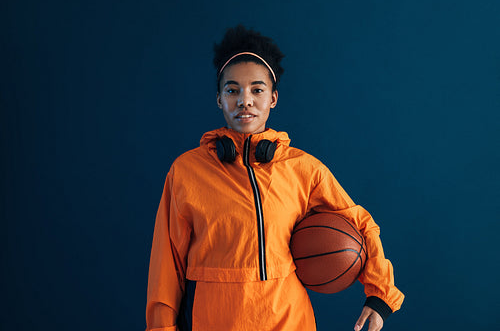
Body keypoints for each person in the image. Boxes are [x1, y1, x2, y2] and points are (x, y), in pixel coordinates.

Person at [145, 25, 404, 331]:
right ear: (219, 99)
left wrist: (380, 295)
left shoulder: (303, 169)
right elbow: (167, 262)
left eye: (257, 90)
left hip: (289, 320)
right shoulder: (187, 171)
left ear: (273, 98)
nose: (245, 101)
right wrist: (161, 327)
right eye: (232, 90)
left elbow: (360, 222)